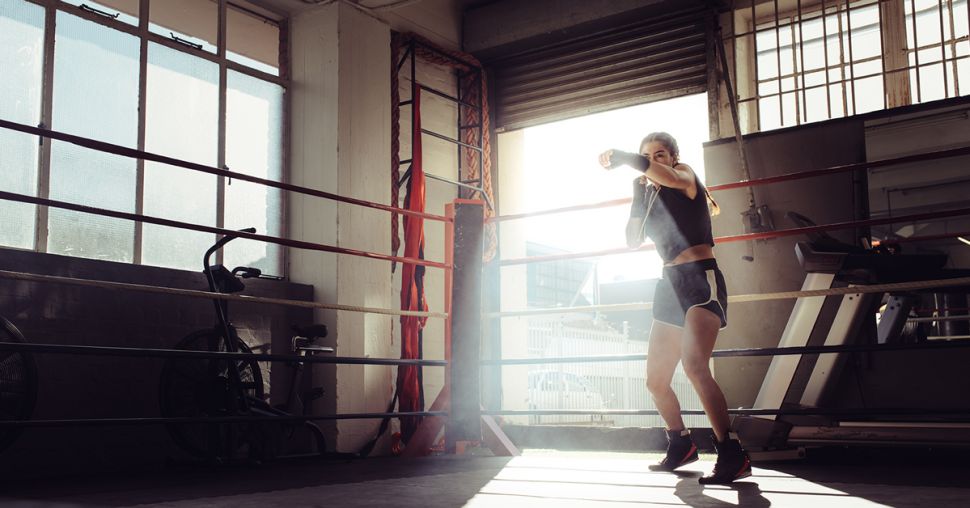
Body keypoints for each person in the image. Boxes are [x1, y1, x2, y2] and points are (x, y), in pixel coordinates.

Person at [598, 132, 751, 485]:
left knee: (695, 366)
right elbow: (632, 239)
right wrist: (638, 197)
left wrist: (625, 156)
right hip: (669, 286)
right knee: (655, 380)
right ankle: (680, 444)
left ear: (673, 156)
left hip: (699, 277)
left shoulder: (684, 176)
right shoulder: (649, 193)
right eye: (648, 155)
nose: (656, 159)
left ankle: (732, 453)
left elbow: (665, 175)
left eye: (660, 153)